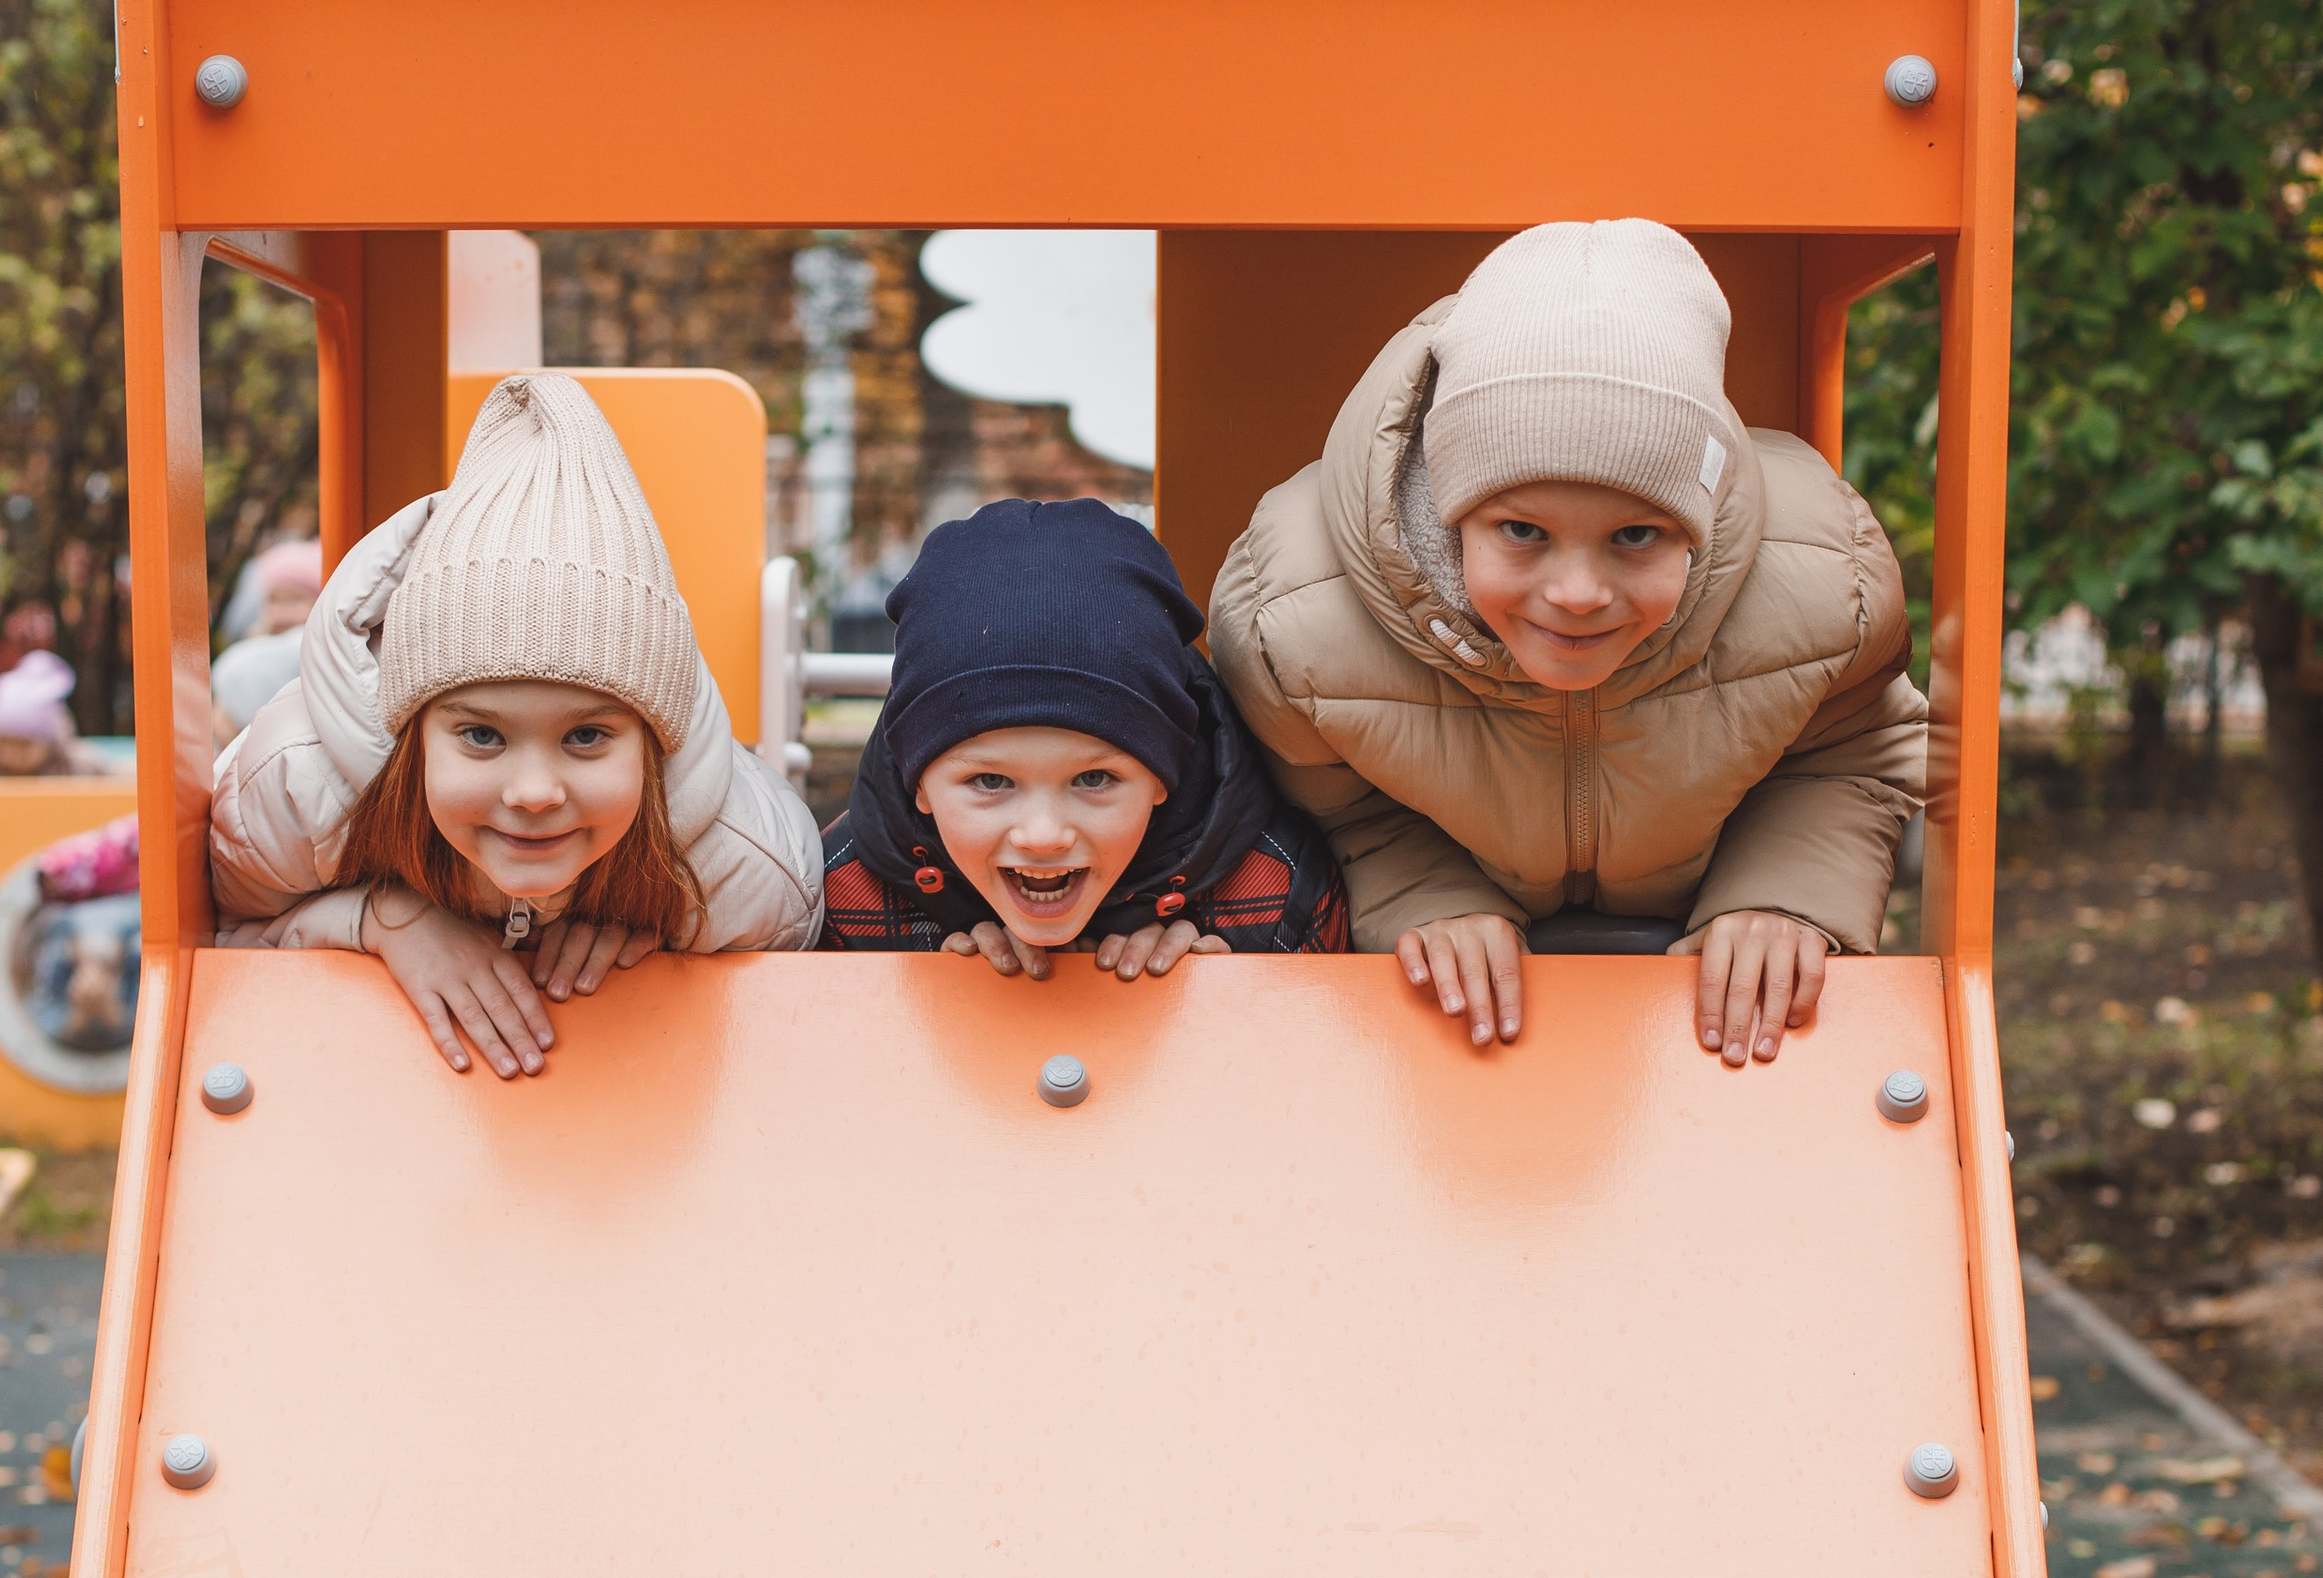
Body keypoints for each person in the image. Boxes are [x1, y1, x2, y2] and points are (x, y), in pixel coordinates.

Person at [1208, 219, 1926, 1065]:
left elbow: (1849, 750)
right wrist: (1428, 894)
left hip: (1686, 1005)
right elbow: (1329, 796)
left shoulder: (1820, 583)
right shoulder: (1297, 621)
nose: (1578, 593)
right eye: (1521, 530)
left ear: (1696, 519)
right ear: (1449, 509)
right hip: (1462, 1028)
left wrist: (1781, 896)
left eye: (1635, 537)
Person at [211, 371, 822, 1071]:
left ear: (653, 737)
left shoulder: (730, 859)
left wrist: (657, 941)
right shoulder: (299, 788)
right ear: (413, 729)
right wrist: (376, 919)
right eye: (482, 735)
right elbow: (215, 943)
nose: (534, 791)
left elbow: (789, 971)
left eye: (586, 736)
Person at [819, 496, 1346, 967]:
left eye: (1093, 778)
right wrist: (933, 997)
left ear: (1167, 774)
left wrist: (1224, 1011)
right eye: (990, 782)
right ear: (919, 783)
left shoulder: (1276, 890)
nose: (1044, 836)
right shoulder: (843, 894)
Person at [209, 538, 324, 736]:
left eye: (295, 600)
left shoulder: (312, 650)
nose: (282, 613)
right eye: (274, 601)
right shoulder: (257, 643)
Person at [0, 649, 92, 775]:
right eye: (4, 743)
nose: (12, 754)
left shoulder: (77, 768)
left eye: (24, 745)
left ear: (50, 744)